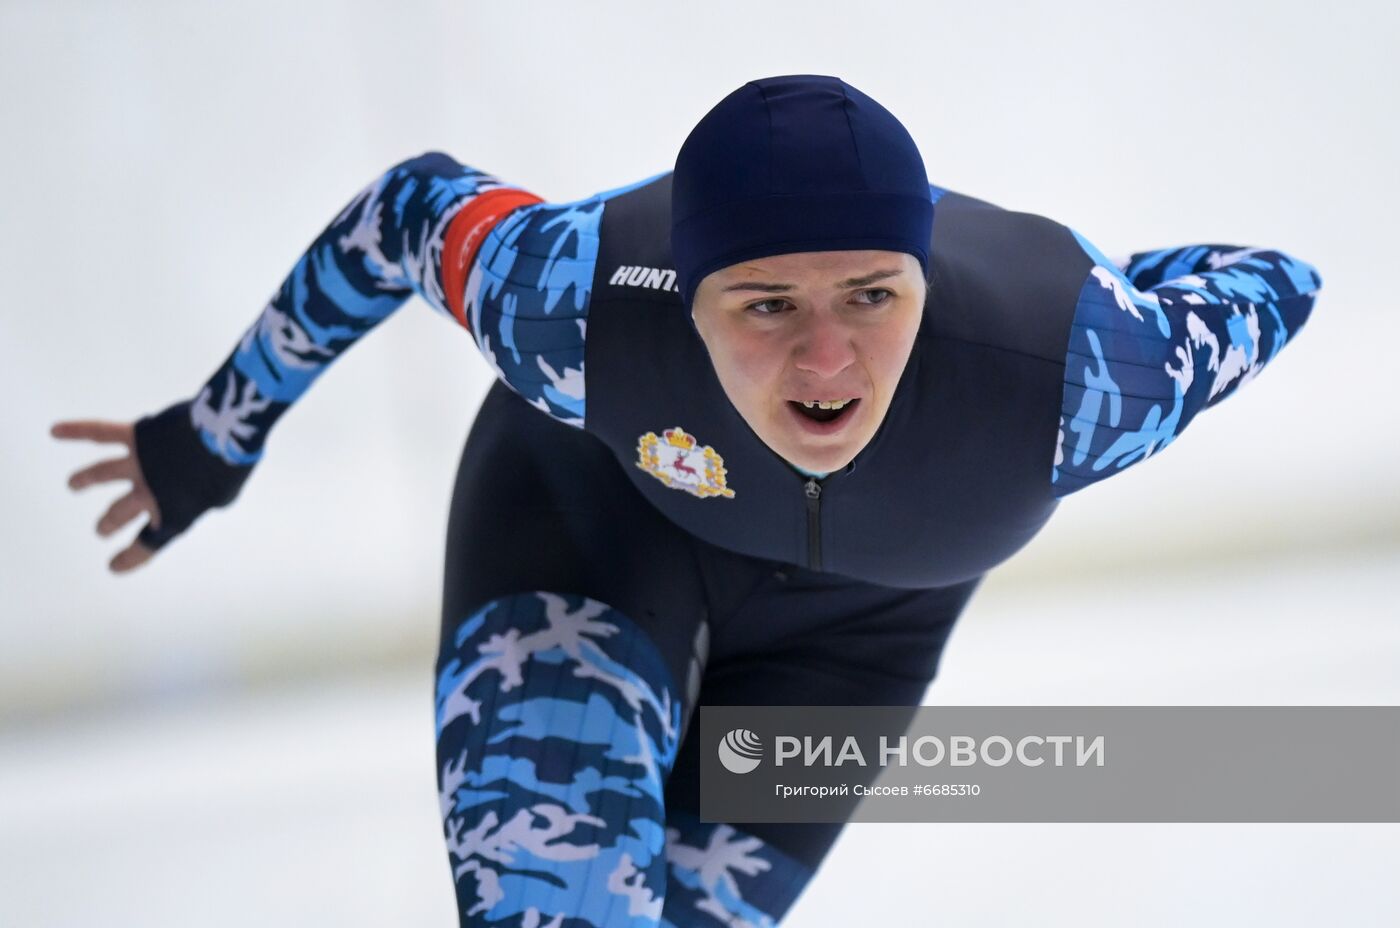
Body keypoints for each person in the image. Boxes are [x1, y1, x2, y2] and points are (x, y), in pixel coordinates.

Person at [53, 75, 1322, 926]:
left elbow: (1272, 276)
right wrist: (216, 433)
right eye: (765, 305)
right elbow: (403, 211)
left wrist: (1092, 282)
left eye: (870, 296)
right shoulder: (568, 300)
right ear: (684, 289)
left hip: (850, 649)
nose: (824, 363)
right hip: (596, 543)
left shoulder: (1087, 376)